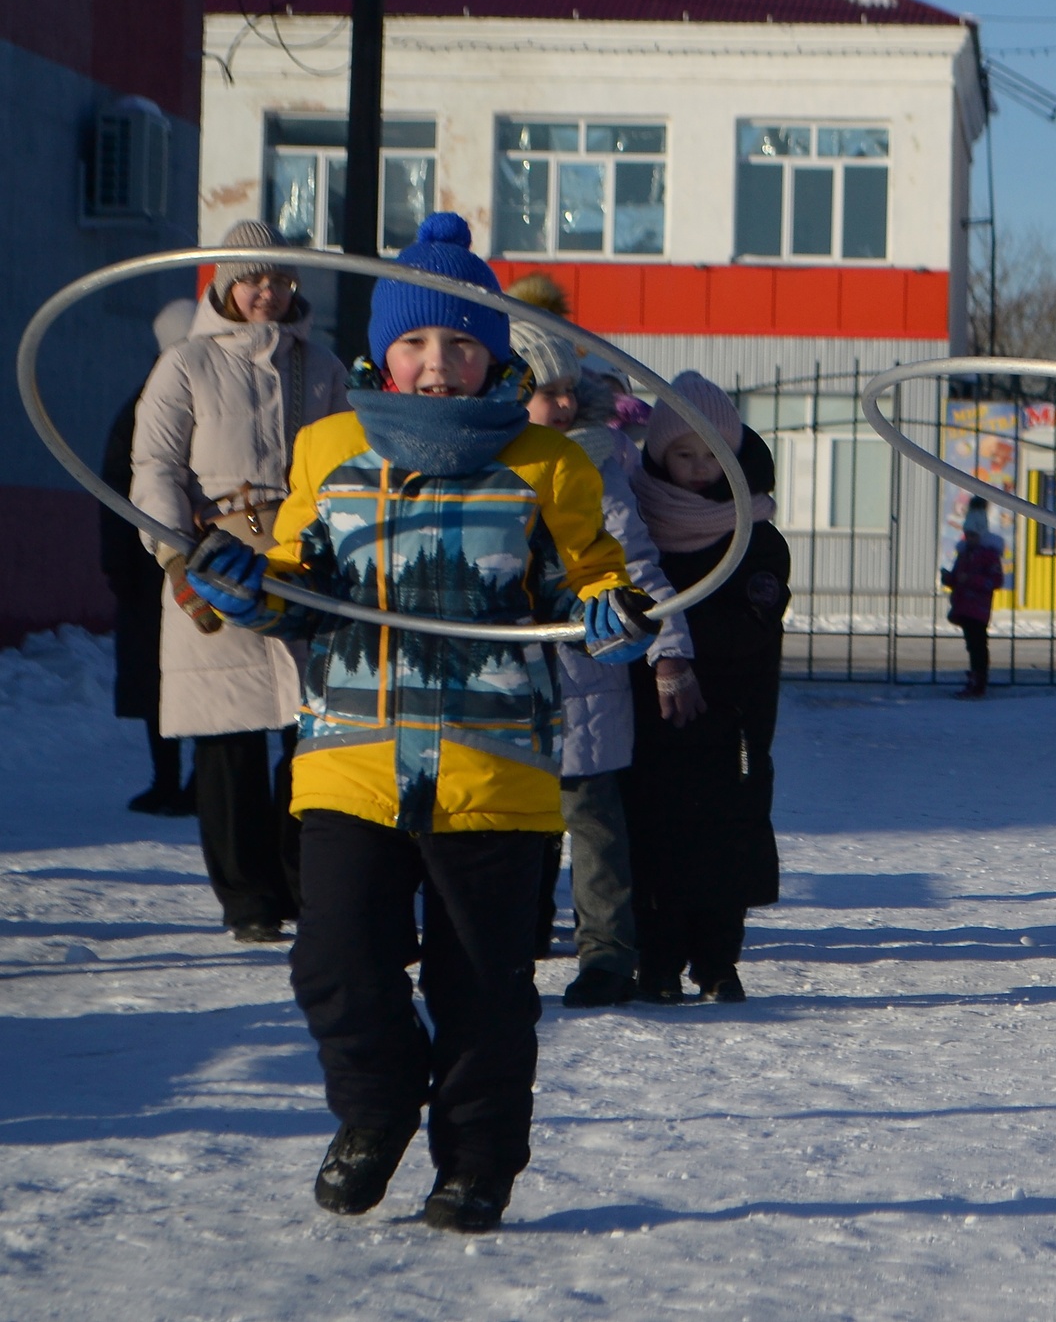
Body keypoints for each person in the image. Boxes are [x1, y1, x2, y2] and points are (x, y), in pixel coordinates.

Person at [180, 212, 653, 1233]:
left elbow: (596, 596)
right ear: (381, 353)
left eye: (461, 343)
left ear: (493, 356)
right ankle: (376, 1110)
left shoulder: (549, 463)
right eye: (415, 343)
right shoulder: (330, 446)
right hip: (352, 760)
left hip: (496, 772)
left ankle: (477, 1161)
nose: (437, 364)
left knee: (483, 988)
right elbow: (301, 590)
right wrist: (246, 585)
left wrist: (617, 625)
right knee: (334, 964)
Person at [130, 222, 349, 940]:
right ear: (224, 286)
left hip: (298, 562)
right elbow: (156, 468)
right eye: (255, 279)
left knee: (307, 731)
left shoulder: (319, 365)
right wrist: (175, 557)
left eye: (282, 280)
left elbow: (349, 462)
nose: (269, 291)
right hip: (211, 558)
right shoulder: (185, 365)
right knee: (226, 742)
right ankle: (246, 898)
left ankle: (300, 881)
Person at [517, 327, 695, 1009]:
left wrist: (668, 647)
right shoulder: (486, 462)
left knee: (592, 822)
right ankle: (509, 944)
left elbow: (637, 561)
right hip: (506, 678)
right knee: (511, 826)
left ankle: (608, 954)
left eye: (569, 391)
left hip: (584, 677)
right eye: (544, 393)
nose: (561, 406)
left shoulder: (593, 460)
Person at [624, 372, 790, 1005]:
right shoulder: (635, 524)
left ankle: (720, 961)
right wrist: (659, 655)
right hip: (653, 710)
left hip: (732, 711)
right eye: (682, 454)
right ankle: (658, 962)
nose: (695, 469)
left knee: (727, 838)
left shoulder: (754, 532)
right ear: (659, 455)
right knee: (653, 835)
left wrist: (684, 645)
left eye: (708, 454)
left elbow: (754, 618)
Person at [107, 298, 200, 816]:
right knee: (156, 679)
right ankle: (170, 780)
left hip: (194, 556)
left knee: (206, 674)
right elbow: (116, 491)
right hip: (148, 569)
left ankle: (195, 782)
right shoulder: (141, 407)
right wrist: (118, 563)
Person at [942, 497, 1005, 698]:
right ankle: (975, 677)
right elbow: (958, 577)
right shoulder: (965, 553)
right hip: (964, 605)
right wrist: (950, 578)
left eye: (973, 534)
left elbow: (995, 580)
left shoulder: (988, 554)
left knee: (978, 644)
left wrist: (971, 579)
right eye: (967, 534)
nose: (969, 538)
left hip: (978, 608)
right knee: (972, 644)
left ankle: (979, 679)